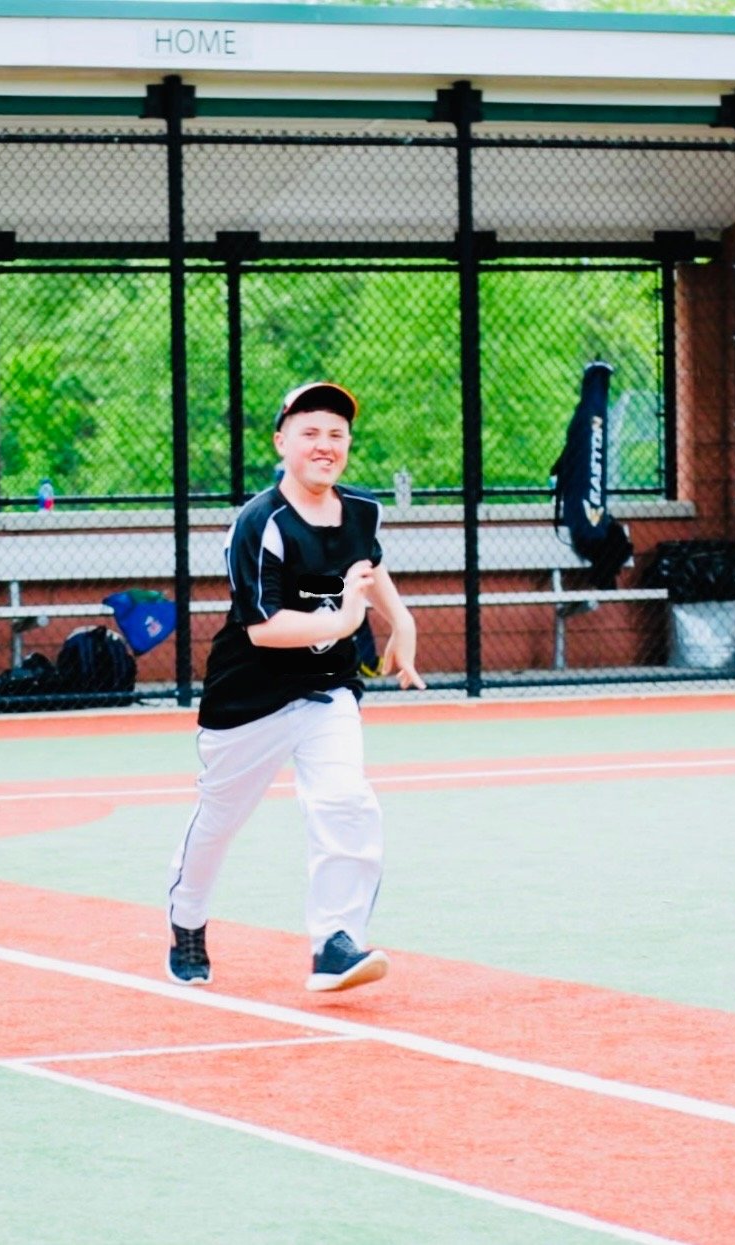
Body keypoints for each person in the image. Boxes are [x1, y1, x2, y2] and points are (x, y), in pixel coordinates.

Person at [167, 380, 425, 992]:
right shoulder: (260, 524)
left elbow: (367, 565)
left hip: (326, 688)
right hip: (249, 697)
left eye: (337, 434)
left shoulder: (361, 511)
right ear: (282, 441)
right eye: (310, 432)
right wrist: (342, 622)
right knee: (220, 821)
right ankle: (187, 919)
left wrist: (403, 621)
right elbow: (264, 628)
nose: (324, 445)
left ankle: (335, 944)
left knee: (346, 802)